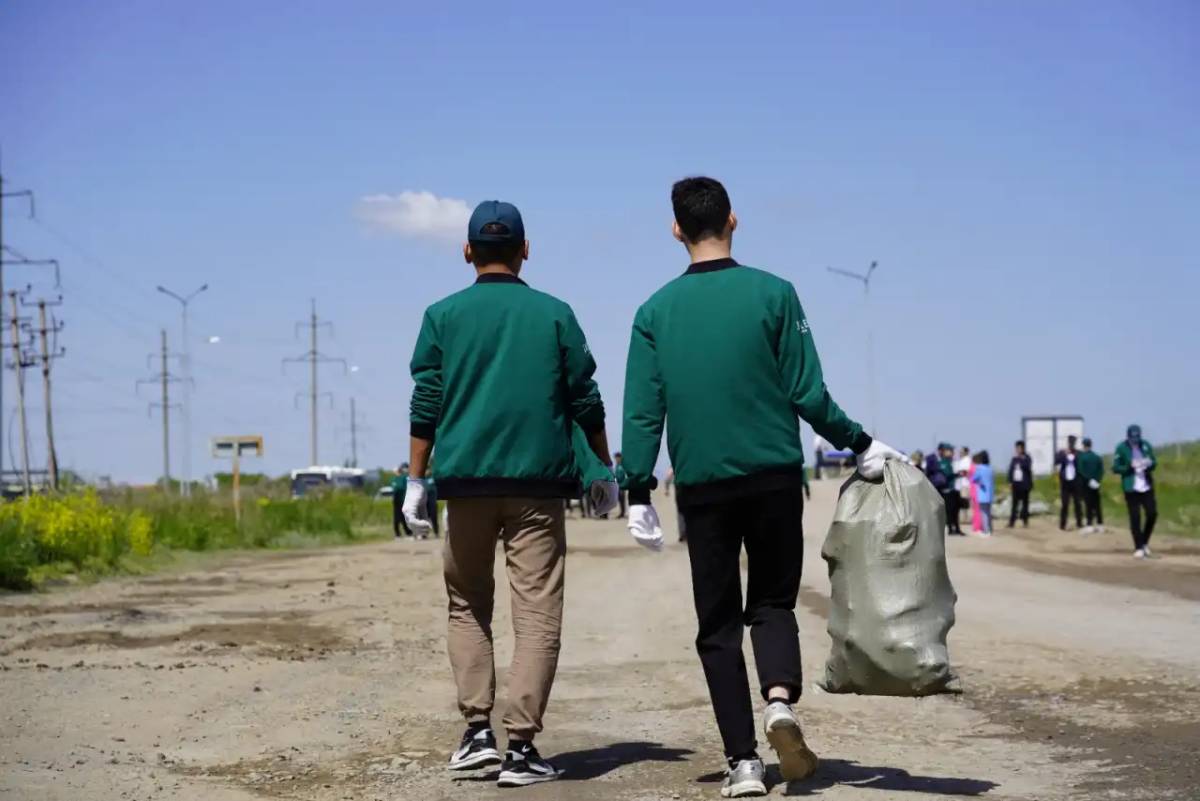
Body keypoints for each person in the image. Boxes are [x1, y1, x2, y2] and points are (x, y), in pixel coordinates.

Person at [620, 177, 902, 797]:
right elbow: (807, 393)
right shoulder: (776, 294)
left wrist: (637, 490)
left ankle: (744, 761)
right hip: (775, 476)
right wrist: (860, 442)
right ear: (733, 221)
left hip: (703, 486)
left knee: (716, 622)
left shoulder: (654, 313)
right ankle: (779, 700)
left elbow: (644, 412)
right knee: (771, 603)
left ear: (675, 230)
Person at [402, 200, 619, 787]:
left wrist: (417, 479)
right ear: (525, 250)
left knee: (467, 604)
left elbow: (427, 402)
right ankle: (520, 747)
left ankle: (477, 735)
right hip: (537, 489)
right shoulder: (554, 314)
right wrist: (602, 467)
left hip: (465, 485)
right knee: (537, 612)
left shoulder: (441, 315)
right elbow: (585, 399)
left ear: (468, 250)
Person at [1112, 424, 1158, 558]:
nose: (1135, 440)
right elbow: (1115, 467)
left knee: (1152, 514)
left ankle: (1144, 542)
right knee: (1135, 517)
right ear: (1128, 437)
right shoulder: (1121, 448)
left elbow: (1154, 461)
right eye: (1133, 438)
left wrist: (1149, 463)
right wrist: (1129, 466)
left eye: (1137, 437)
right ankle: (1138, 547)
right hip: (1131, 487)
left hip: (1146, 486)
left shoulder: (1146, 445)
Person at [926, 444, 962, 535]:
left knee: (955, 510)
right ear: (943, 451)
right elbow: (947, 475)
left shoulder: (951, 461)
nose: (952, 452)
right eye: (949, 450)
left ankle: (957, 528)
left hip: (954, 489)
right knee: (949, 510)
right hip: (947, 490)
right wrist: (957, 474)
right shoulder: (942, 462)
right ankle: (950, 529)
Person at [1055, 435, 1084, 530]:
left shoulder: (1079, 453)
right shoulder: (1062, 452)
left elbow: (1081, 463)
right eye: (1070, 442)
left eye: (1073, 442)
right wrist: (1064, 454)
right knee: (1065, 504)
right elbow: (1056, 461)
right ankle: (1062, 524)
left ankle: (1079, 523)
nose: (1071, 444)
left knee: (1077, 503)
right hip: (1065, 482)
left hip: (1075, 482)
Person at [1077, 437, 1105, 533]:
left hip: (1086, 483)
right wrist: (1097, 480)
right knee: (1097, 504)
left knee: (1088, 504)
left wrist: (1089, 479)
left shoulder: (1082, 457)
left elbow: (1080, 470)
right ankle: (1100, 524)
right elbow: (1101, 470)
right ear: (1091, 445)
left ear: (1084, 445)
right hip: (1096, 484)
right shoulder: (1097, 457)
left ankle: (1089, 524)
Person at [1006, 441, 1033, 528]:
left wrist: (1021, 459)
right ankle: (1012, 522)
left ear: (1023, 448)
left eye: (1019, 448)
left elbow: (1027, 467)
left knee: (1025, 504)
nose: (1017, 450)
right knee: (1014, 504)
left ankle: (1025, 521)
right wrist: (1010, 481)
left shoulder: (1027, 458)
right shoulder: (1014, 459)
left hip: (1025, 484)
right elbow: (1010, 470)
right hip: (1016, 484)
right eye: (1016, 448)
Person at [971, 451, 994, 536]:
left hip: (982, 494)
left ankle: (986, 531)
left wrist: (979, 481)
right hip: (990, 494)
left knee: (984, 513)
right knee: (988, 513)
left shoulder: (980, 468)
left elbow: (973, 479)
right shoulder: (990, 468)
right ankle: (990, 529)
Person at [955, 447, 976, 534]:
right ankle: (963, 518)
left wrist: (961, 473)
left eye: (962, 451)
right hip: (961, 484)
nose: (960, 453)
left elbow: (967, 472)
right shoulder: (960, 460)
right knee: (962, 502)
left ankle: (968, 518)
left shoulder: (968, 460)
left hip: (967, 484)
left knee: (967, 502)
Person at [391, 464, 411, 538]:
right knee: (396, 517)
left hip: (403, 500)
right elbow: (394, 488)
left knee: (403, 517)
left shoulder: (404, 478)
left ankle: (408, 532)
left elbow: (402, 488)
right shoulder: (394, 479)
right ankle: (398, 533)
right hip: (396, 501)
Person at [614, 452, 629, 519]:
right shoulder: (617, 466)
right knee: (620, 499)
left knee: (622, 499)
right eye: (615, 458)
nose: (616, 459)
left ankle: (623, 512)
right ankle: (621, 512)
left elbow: (625, 475)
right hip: (618, 485)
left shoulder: (622, 465)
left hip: (622, 485)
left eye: (617, 458)